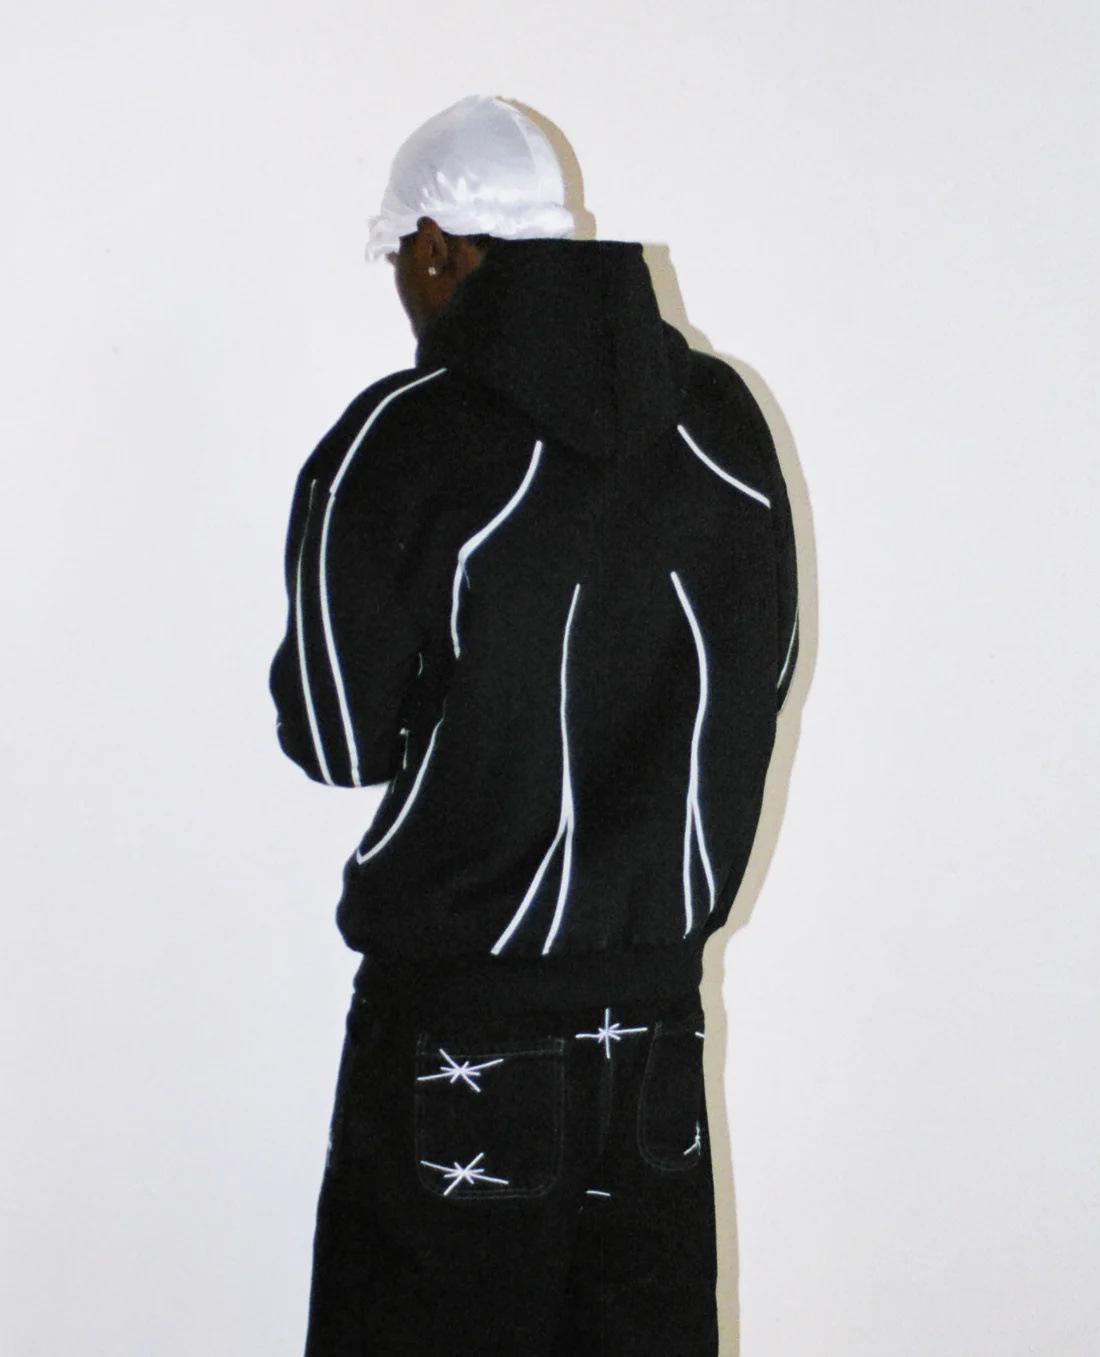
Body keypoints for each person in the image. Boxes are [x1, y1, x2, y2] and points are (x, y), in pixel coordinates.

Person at [268, 93, 799, 1356]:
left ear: (435, 247)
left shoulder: (400, 436)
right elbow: (761, 676)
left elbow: (334, 736)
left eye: (400, 261)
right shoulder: (725, 420)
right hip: (653, 1025)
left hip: (458, 1030)